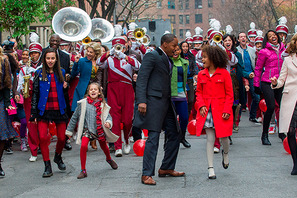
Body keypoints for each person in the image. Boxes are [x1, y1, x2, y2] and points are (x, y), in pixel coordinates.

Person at [133, 34, 185, 185]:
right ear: (165, 44)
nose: (177, 48)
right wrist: (141, 101)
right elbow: (142, 79)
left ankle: (166, 168)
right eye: (174, 45)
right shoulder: (152, 56)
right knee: (153, 138)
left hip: (167, 102)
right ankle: (146, 174)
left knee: (175, 133)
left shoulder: (168, 58)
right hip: (153, 102)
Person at [97, 37, 140, 157]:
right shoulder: (109, 59)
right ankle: (117, 146)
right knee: (114, 119)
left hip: (127, 90)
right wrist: (108, 53)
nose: (118, 49)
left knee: (127, 120)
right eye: (116, 47)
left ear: (125, 46)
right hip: (113, 90)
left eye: (120, 46)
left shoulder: (131, 58)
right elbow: (98, 63)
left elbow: (138, 66)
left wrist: (124, 56)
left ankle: (126, 140)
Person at [195, 45, 233, 179]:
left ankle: (226, 153)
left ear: (213, 58)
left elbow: (230, 94)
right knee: (210, 138)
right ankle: (210, 168)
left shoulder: (224, 73)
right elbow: (198, 92)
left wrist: (227, 109)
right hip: (208, 111)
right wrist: (201, 105)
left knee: (224, 138)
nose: (202, 59)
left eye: (205, 57)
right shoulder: (201, 74)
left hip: (222, 110)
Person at [66, 82, 119, 179]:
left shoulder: (103, 105)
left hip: (99, 130)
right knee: (83, 146)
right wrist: (69, 131)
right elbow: (74, 117)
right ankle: (83, 170)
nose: (93, 91)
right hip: (87, 130)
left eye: (95, 89)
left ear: (99, 92)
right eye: (91, 89)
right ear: (88, 92)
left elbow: (109, 117)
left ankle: (109, 159)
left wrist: (108, 123)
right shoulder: (83, 103)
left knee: (104, 147)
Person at [31, 48, 68, 177]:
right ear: (44, 59)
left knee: (62, 138)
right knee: (42, 137)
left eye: (53, 58)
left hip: (59, 108)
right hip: (43, 109)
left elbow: (65, 93)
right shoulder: (39, 73)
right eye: (48, 58)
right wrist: (33, 113)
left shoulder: (62, 72)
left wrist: (66, 86)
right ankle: (47, 165)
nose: (50, 61)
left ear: (56, 59)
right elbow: (35, 93)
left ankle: (58, 156)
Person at [270, 34, 297, 175]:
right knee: (291, 131)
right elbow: (281, 80)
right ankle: (295, 162)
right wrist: (275, 83)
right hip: (291, 97)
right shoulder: (287, 60)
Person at [254, 30, 286, 145]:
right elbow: (258, 68)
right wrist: (256, 84)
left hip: (280, 82)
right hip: (267, 82)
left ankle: (282, 133)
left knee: (282, 108)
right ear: (267, 40)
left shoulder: (284, 50)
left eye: (274, 35)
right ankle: (264, 134)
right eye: (270, 36)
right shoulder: (264, 52)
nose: (273, 37)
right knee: (271, 106)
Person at [42, 34, 72, 151]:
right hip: (46, 92)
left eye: (57, 41)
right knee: (44, 120)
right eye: (52, 40)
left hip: (60, 92)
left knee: (64, 117)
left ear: (60, 42)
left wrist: (67, 81)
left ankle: (65, 140)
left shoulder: (65, 56)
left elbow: (68, 73)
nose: (54, 42)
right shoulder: (43, 53)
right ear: (49, 41)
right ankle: (42, 143)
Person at [71, 42, 102, 150]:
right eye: (87, 51)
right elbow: (73, 73)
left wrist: (100, 87)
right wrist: (75, 63)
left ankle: (93, 139)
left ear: (96, 53)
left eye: (91, 52)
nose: (88, 53)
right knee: (84, 115)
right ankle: (86, 137)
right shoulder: (83, 61)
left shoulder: (99, 62)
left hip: (95, 89)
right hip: (84, 90)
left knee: (95, 114)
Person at [18, 43, 43, 160]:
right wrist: (23, 88)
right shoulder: (24, 69)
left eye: (36, 53)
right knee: (31, 124)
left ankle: (43, 147)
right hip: (28, 98)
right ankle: (33, 150)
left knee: (42, 124)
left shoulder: (43, 67)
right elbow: (18, 87)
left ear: (40, 54)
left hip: (42, 98)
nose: (33, 56)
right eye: (31, 53)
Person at [0, 46, 18, 177]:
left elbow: (7, 84)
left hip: (0, 101)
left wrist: (7, 103)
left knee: (2, 136)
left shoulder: (3, 61)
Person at [237, 32, 259, 123]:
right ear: (238, 40)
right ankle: (237, 118)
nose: (243, 38)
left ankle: (253, 116)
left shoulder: (252, 50)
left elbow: (256, 62)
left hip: (251, 75)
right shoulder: (236, 51)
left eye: (244, 37)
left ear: (247, 39)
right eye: (241, 37)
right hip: (240, 75)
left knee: (256, 97)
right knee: (239, 99)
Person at [171, 44, 190, 148]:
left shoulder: (184, 62)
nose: (175, 52)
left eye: (177, 50)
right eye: (173, 50)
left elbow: (187, 76)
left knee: (184, 117)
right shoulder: (167, 62)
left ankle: (182, 137)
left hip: (181, 93)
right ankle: (173, 139)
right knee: (172, 119)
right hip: (170, 94)